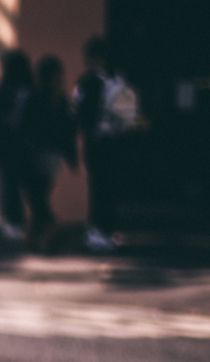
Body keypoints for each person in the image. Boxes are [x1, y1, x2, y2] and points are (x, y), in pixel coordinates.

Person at [73, 35, 134, 251]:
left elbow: (77, 111)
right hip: (113, 141)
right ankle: (105, 230)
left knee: (97, 186)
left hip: (93, 140)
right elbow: (128, 115)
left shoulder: (86, 82)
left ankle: (96, 230)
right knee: (109, 186)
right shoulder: (116, 81)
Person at [21, 54, 77, 244]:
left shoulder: (35, 97)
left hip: (36, 152)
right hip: (54, 155)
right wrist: (71, 157)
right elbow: (68, 130)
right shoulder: (61, 99)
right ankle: (36, 234)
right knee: (40, 193)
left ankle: (50, 224)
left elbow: (25, 126)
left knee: (35, 195)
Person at [0, 50, 34, 241]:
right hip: (27, 145)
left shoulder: (2, 90)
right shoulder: (31, 90)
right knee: (28, 186)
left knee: (9, 184)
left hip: (5, 145)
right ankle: (27, 222)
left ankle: (12, 222)